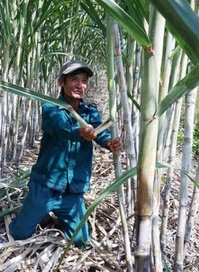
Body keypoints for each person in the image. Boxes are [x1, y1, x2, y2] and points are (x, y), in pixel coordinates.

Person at [8, 60, 122, 247]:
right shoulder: (51, 108)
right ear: (62, 82)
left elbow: (100, 133)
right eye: (74, 79)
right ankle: (29, 216)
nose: (80, 85)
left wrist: (110, 143)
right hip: (46, 186)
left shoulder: (90, 110)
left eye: (84, 81)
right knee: (19, 235)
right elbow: (62, 128)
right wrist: (80, 133)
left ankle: (62, 220)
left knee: (81, 241)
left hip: (72, 190)